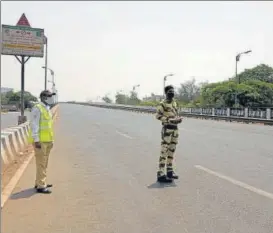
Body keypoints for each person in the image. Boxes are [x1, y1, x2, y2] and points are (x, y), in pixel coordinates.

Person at [28, 90, 55, 194]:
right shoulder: (37, 108)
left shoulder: (47, 108)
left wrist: (51, 140)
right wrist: (36, 140)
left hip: (48, 140)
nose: (51, 97)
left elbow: (48, 126)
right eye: (49, 96)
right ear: (43, 97)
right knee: (41, 164)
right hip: (40, 141)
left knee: (44, 163)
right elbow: (34, 125)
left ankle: (40, 181)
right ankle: (41, 186)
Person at [155, 85, 183, 183]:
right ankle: (161, 174)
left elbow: (176, 113)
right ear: (166, 93)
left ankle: (170, 171)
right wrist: (169, 119)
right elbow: (158, 116)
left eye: (173, 91)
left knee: (171, 151)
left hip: (175, 129)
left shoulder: (175, 103)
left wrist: (178, 119)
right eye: (170, 91)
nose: (172, 92)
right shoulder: (162, 104)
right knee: (164, 151)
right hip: (167, 129)